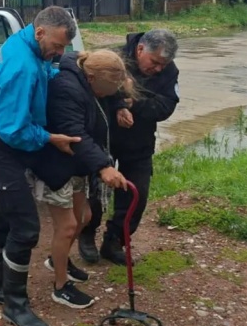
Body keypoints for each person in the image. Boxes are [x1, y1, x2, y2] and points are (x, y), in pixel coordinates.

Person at [0, 6, 81, 326]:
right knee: (25, 226)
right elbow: (14, 131)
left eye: (64, 48)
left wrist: (61, 71)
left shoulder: (24, 44)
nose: (60, 53)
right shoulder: (21, 67)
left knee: (1, 215)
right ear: (40, 32)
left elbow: (44, 70)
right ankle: (15, 305)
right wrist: (49, 137)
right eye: (58, 46)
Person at [27, 50, 132, 309]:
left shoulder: (88, 77)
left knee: (83, 218)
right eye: (107, 90)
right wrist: (104, 167)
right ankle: (60, 287)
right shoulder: (66, 88)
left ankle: (57, 260)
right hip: (55, 165)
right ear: (92, 77)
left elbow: (113, 90)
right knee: (67, 226)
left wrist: (118, 104)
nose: (108, 94)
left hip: (75, 165)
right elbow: (75, 134)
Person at [77, 29, 180, 265]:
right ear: (141, 49)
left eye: (163, 65)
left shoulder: (169, 71)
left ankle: (114, 242)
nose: (158, 69)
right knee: (95, 193)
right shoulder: (112, 58)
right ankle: (87, 234)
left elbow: (166, 106)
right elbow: (92, 95)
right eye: (154, 63)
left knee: (137, 196)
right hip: (104, 139)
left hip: (140, 143)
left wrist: (134, 104)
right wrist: (118, 106)